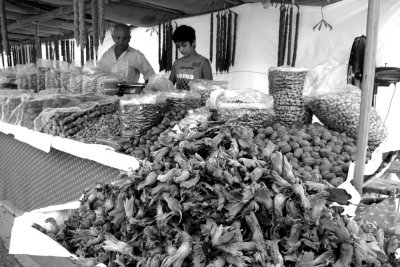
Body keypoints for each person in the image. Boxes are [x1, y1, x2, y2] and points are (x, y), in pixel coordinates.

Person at [169, 25, 213, 90]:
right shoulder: (177, 63)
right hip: (179, 100)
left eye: (184, 45)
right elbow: (169, 85)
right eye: (178, 46)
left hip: (197, 99)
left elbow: (210, 88)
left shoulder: (203, 63)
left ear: (193, 42)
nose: (181, 49)